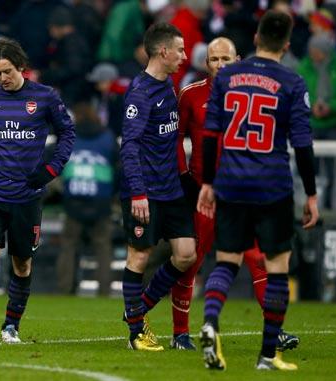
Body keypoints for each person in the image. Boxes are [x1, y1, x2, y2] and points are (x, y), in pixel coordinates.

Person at [197, 10, 318, 370]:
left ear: (255, 40)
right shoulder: (293, 83)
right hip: (272, 184)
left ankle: (210, 321)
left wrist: (207, 182)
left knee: (226, 262)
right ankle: (268, 355)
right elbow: (303, 145)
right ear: (286, 44)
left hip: (231, 182)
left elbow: (210, 133)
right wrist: (311, 194)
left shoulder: (228, 77)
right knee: (277, 266)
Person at [172, 37, 299, 352]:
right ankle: (179, 334)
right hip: (205, 193)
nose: (219, 65)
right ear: (206, 63)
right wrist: (186, 177)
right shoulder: (190, 95)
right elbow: (175, 139)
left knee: (258, 259)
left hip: (242, 193)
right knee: (192, 260)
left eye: (224, 59)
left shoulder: (254, 93)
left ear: (237, 60)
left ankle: (275, 331)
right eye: (213, 59)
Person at [0, 38, 75, 344]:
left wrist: (50, 171)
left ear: (21, 66)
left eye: (7, 71)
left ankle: (11, 326)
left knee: (21, 262)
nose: (3, 78)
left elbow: (67, 133)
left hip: (27, 196)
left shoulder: (45, 97)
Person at [120, 22, 196, 351]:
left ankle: (139, 308)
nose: (184, 55)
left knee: (186, 254)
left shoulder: (168, 85)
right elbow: (130, 146)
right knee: (139, 256)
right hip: (146, 192)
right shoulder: (140, 93)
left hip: (171, 189)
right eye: (179, 49)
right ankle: (137, 333)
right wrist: (138, 193)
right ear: (163, 52)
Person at [57, 101, 118, 296]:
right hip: (101, 200)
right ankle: (104, 291)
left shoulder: (68, 137)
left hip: (73, 200)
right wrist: (111, 193)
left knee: (69, 246)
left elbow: (55, 164)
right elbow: (120, 169)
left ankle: (66, 289)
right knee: (103, 249)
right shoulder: (108, 138)